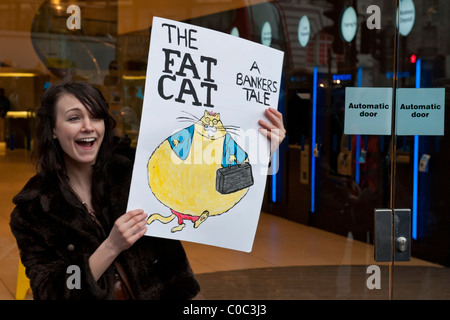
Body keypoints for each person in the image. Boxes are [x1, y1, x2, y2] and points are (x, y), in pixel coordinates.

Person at [9, 80, 285, 300]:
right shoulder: (34, 210)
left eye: (96, 117)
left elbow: (206, 183)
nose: (88, 127)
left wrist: (261, 152)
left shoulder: (134, 171)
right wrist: (111, 246)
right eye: (73, 118)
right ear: (53, 130)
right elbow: (52, 291)